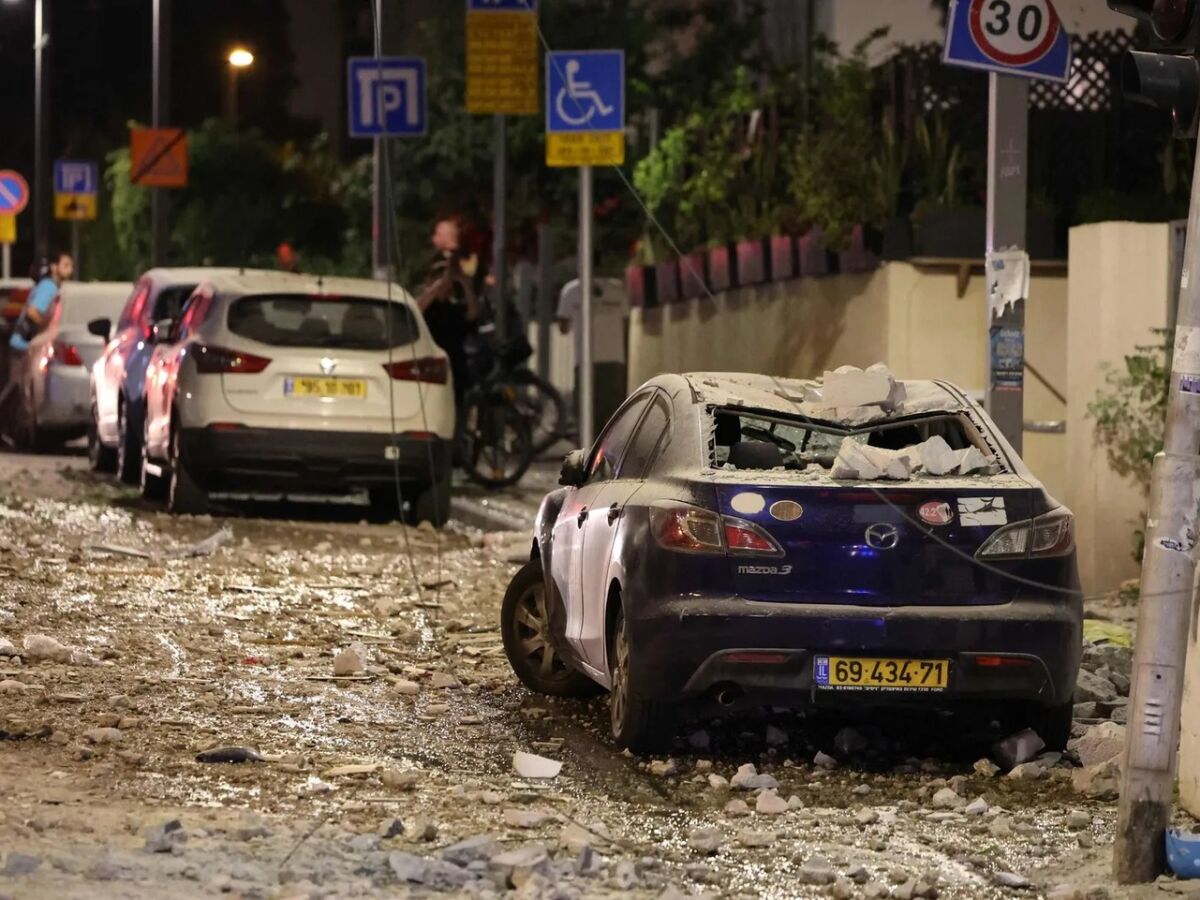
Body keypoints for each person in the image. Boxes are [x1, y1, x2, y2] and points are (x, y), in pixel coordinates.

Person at [2, 251, 72, 436]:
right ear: (53, 267)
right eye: (66, 265)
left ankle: (16, 431)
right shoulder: (49, 287)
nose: (70, 270)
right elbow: (34, 313)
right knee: (17, 390)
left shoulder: (50, 286)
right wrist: (40, 334)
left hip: (24, 344)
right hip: (24, 345)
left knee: (19, 389)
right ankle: (15, 430)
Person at [556, 274, 629, 440]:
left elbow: (563, 327)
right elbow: (626, 323)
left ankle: (589, 459)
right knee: (614, 417)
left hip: (585, 362)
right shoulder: (618, 289)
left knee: (586, 416)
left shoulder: (571, 291)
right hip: (614, 361)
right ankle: (611, 459)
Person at [418, 219, 480, 403]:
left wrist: (462, 282)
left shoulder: (455, 307)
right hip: (431, 368)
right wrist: (438, 285)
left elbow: (472, 313)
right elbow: (419, 306)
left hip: (455, 367)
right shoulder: (429, 307)